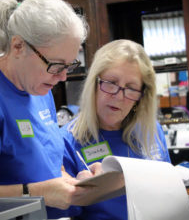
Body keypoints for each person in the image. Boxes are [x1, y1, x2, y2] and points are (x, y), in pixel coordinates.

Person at [0, 0, 100, 219]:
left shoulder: (39, 88)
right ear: (18, 46)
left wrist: (71, 181)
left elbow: (47, 164)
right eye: (56, 65)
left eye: (69, 65)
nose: (63, 76)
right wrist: (36, 193)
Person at [61, 39, 171, 220]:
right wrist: (76, 194)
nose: (118, 97)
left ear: (141, 97)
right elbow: (62, 210)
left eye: (131, 88)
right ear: (94, 83)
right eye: (111, 83)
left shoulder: (151, 131)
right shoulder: (68, 140)